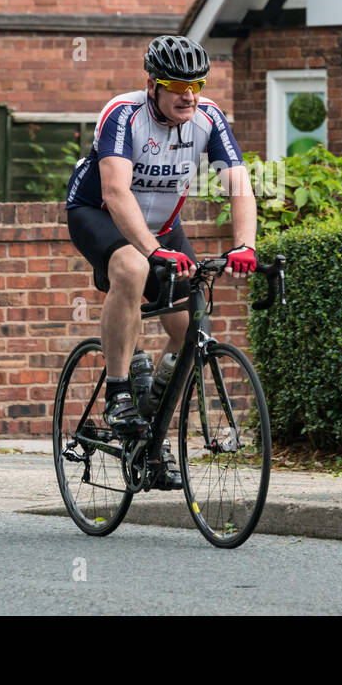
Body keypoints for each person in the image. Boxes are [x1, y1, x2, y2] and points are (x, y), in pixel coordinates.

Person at [65, 34, 258, 488]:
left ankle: (151, 435)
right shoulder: (122, 114)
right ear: (152, 84)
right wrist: (153, 252)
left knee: (192, 328)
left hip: (163, 228)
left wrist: (245, 245)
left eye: (196, 84)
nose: (188, 95)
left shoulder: (208, 118)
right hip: (99, 214)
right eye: (176, 85)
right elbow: (115, 192)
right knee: (131, 269)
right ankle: (117, 392)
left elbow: (240, 186)